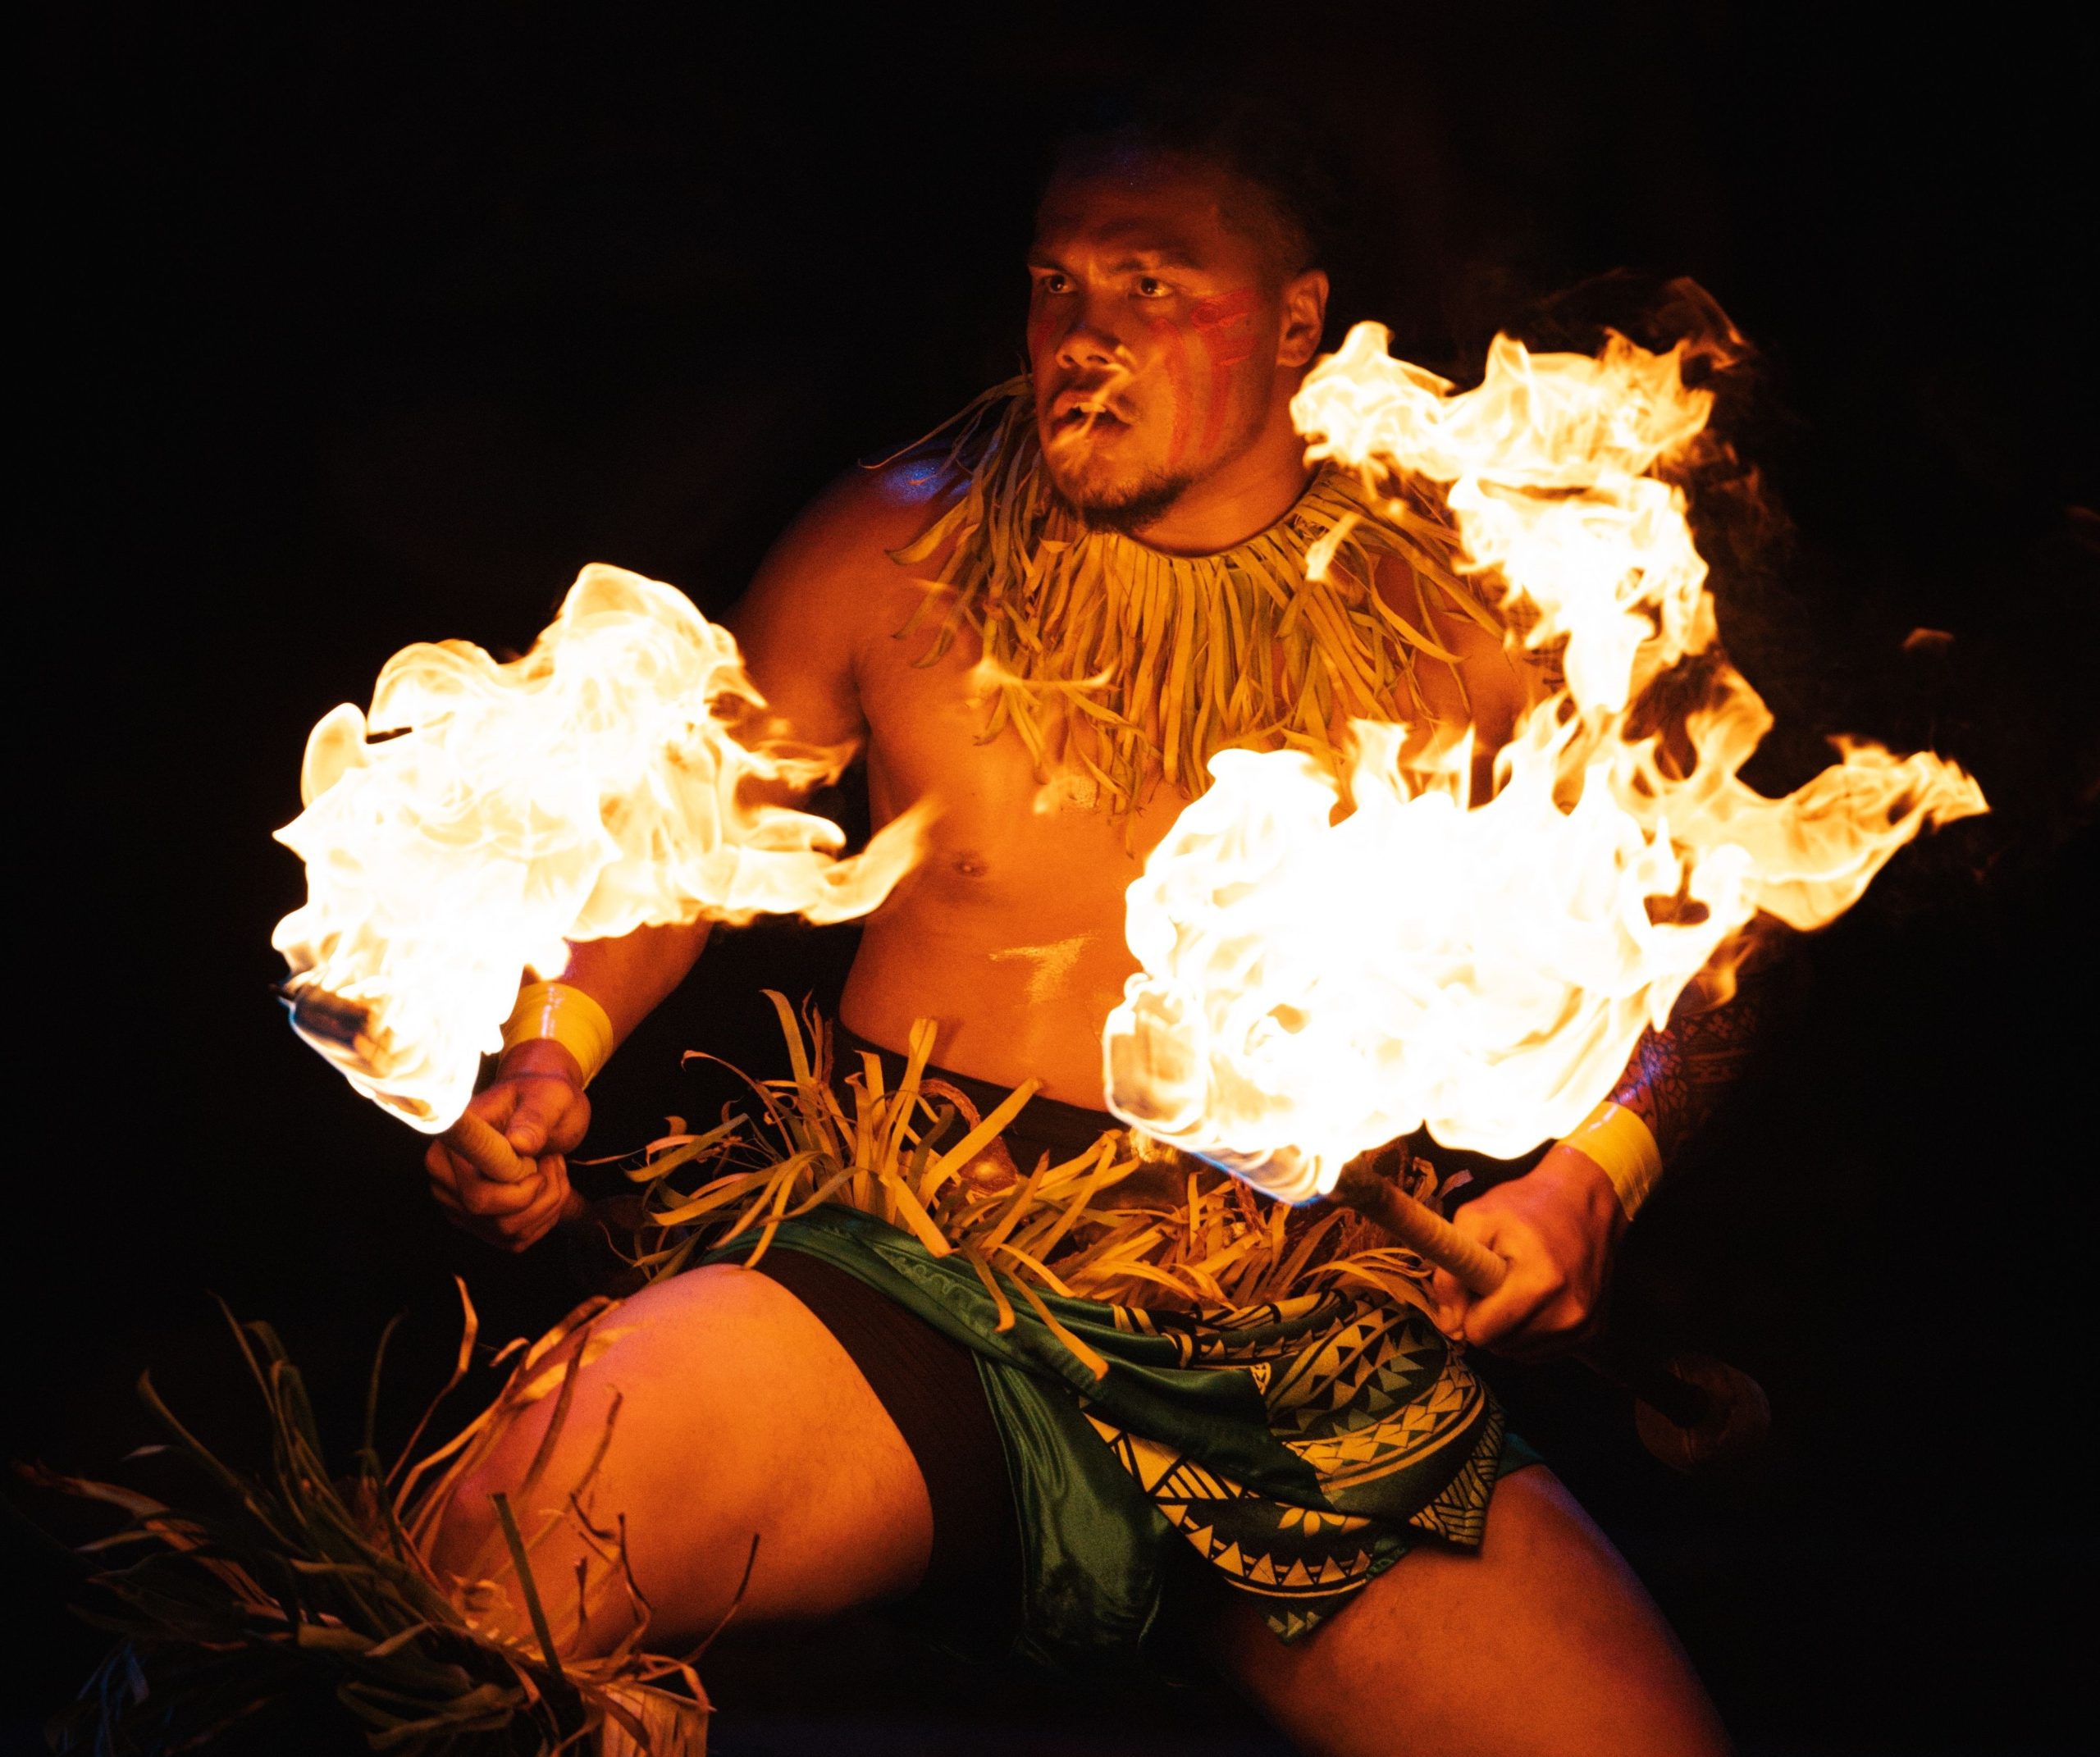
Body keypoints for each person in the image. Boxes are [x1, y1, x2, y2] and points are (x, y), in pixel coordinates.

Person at [423, 112, 1743, 1757]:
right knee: (495, 1559)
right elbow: (671, 846)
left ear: (1291, 324)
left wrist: (1589, 1174)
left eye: (1147, 285)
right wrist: (552, 1053)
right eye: (1053, 285)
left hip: (1302, 1334)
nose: (1080, 338)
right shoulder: (889, 541)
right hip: (918, 1280)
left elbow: (1726, 917)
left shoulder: (1477, 602)